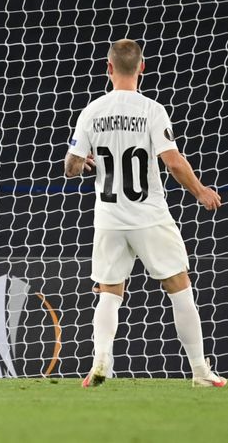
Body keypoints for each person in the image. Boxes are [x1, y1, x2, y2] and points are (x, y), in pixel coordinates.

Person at [65, 38, 224, 388]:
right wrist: (200, 191)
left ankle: (101, 361)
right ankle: (200, 371)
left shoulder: (91, 111)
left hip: (108, 218)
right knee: (179, 287)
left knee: (109, 292)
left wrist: (86, 162)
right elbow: (172, 160)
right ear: (142, 68)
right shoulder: (151, 109)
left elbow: (72, 167)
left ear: (108, 69)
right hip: (149, 215)